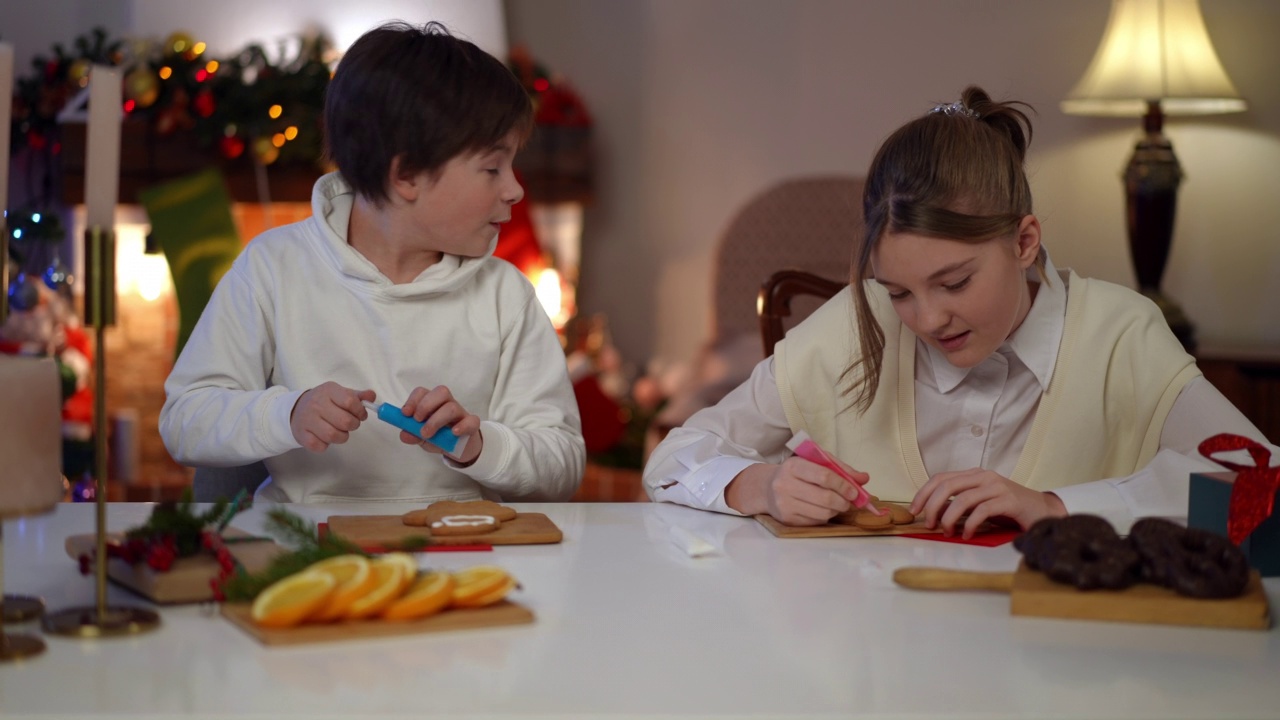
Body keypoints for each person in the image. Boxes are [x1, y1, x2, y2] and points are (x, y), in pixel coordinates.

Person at [643, 86, 1273, 537]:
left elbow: (1259, 479)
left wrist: (1056, 506)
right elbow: (675, 458)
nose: (927, 319)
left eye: (955, 282)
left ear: (1024, 243)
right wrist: (760, 487)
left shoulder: (1118, 333)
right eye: (899, 292)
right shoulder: (853, 323)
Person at [160, 22, 584, 503]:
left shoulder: (506, 295)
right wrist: (288, 413)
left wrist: (481, 445)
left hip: (461, 555)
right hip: (302, 557)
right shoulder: (274, 268)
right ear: (406, 175)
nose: (515, 189)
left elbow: (563, 462)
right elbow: (185, 419)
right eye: (492, 168)